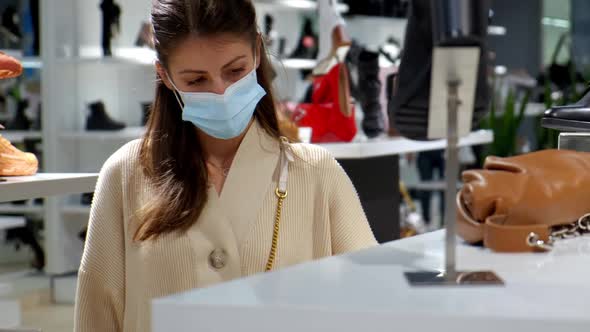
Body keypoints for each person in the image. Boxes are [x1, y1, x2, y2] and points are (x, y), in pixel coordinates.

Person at [74, 0, 377, 331]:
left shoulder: (317, 174)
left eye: (235, 71)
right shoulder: (126, 173)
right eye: (196, 80)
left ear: (257, 52)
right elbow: (97, 314)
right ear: (165, 75)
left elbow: (370, 306)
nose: (221, 91)